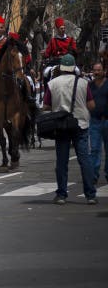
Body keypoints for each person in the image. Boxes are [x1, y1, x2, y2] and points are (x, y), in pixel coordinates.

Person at [43, 54, 96, 205]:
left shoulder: (52, 84)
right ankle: (90, 195)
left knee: (61, 161)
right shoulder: (84, 83)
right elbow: (91, 105)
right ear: (74, 68)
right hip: (81, 125)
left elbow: (46, 106)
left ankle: (61, 195)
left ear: (61, 68)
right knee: (84, 160)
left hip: (61, 126)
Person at [88, 61, 108, 185]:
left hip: (107, 120)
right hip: (94, 121)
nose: (96, 72)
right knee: (94, 149)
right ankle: (94, 174)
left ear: (103, 71)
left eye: (99, 70)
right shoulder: (89, 86)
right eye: (95, 70)